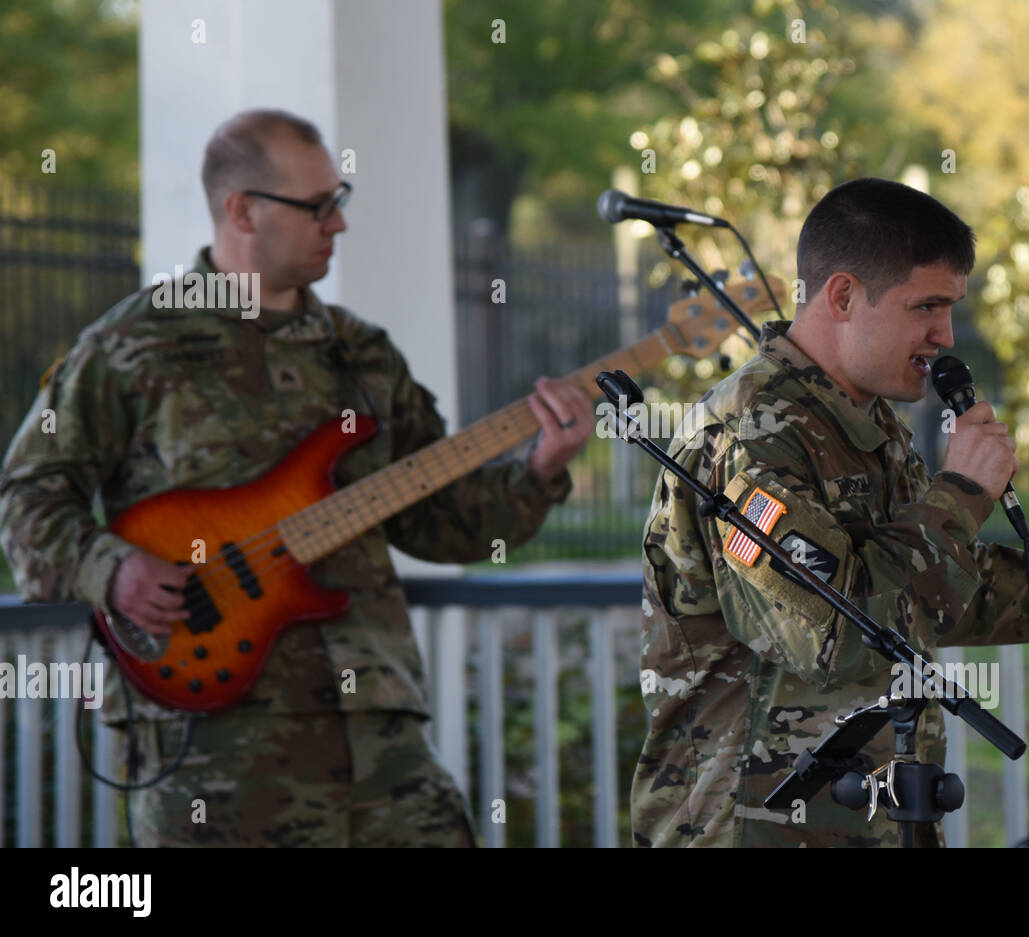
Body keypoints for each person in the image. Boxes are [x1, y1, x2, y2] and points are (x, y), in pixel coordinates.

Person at [0, 109, 595, 847]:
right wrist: (108, 568)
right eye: (317, 206)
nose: (336, 224)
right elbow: (26, 494)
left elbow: (442, 521)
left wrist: (541, 468)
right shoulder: (130, 345)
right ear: (241, 209)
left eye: (337, 200)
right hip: (215, 743)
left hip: (379, 736)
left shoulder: (363, 353)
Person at [631, 177, 1029, 847]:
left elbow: (920, 594)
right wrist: (961, 493)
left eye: (951, 308)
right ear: (842, 295)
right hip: (752, 828)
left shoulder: (863, 419)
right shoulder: (754, 433)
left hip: (869, 818)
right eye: (926, 305)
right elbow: (835, 633)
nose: (945, 334)